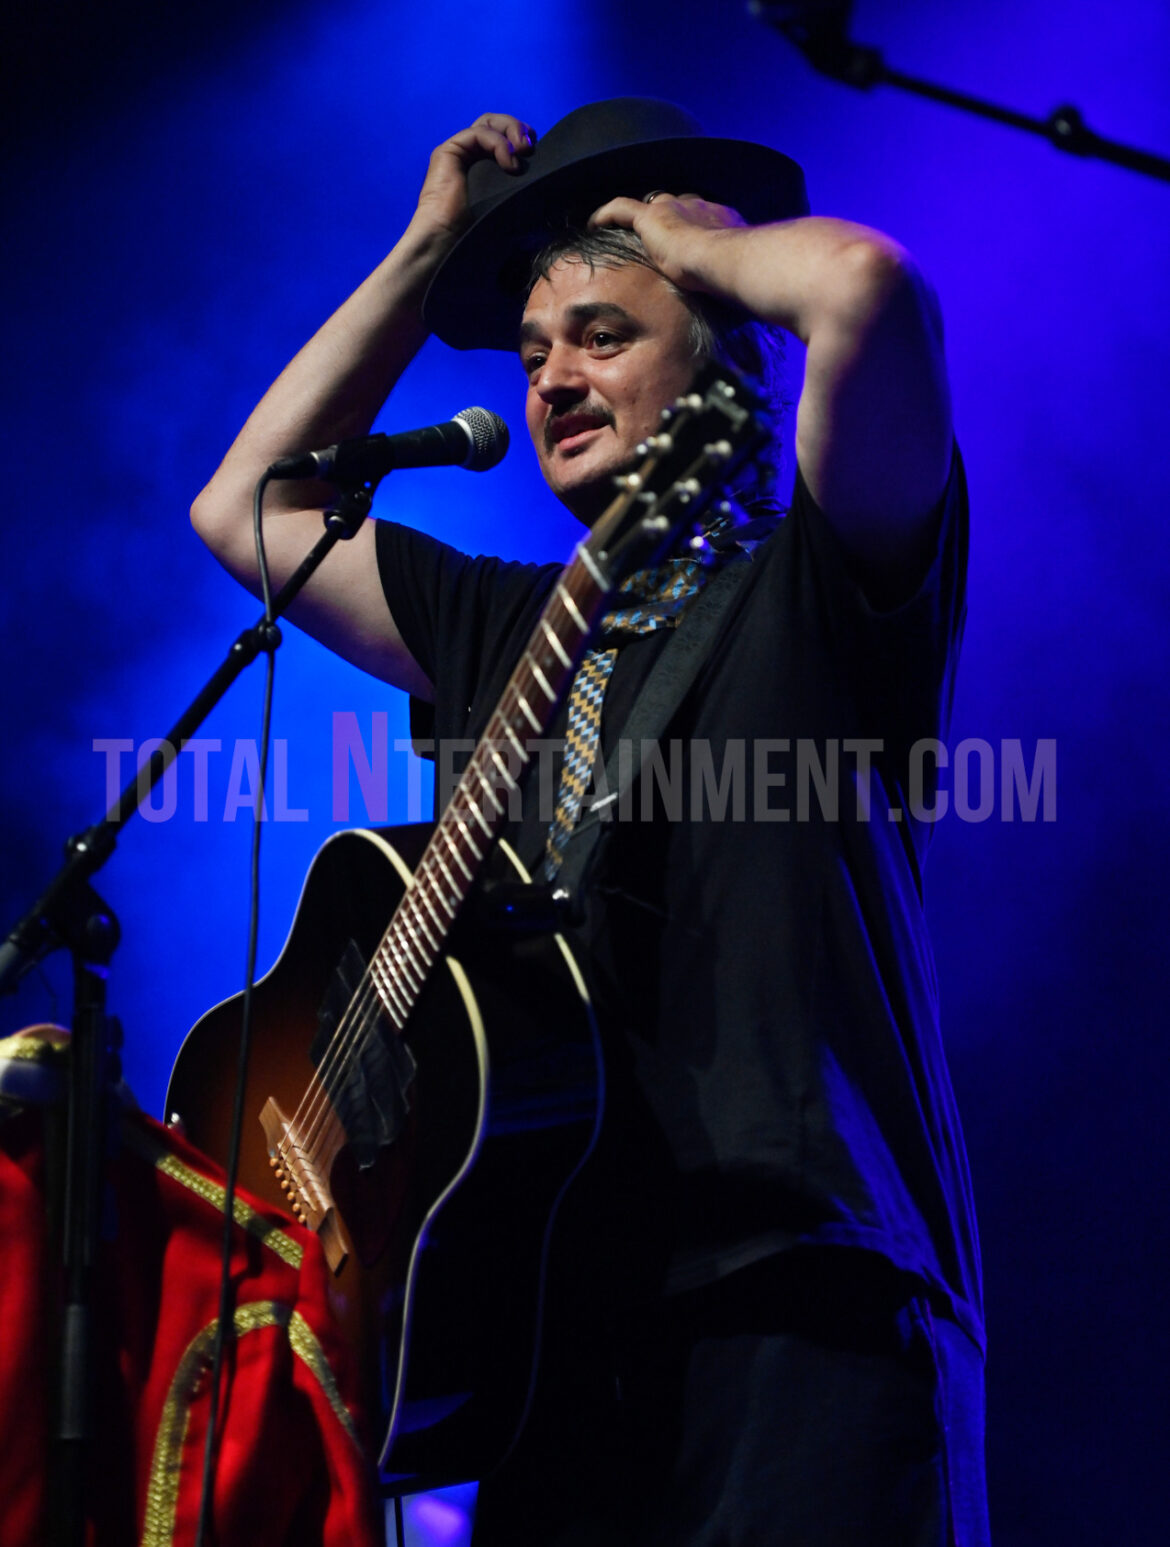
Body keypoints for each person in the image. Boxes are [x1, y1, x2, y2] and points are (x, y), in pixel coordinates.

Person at [193, 98, 988, 1546]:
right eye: (531, 352)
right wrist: (425, 255)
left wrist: (690, 245)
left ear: (725, 353)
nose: (552, 378)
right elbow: (249, 505)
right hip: (547, 1343)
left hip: (797, 1295)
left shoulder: (821, 578)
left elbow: (867, 288)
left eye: (603, 336)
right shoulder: (500, 625)